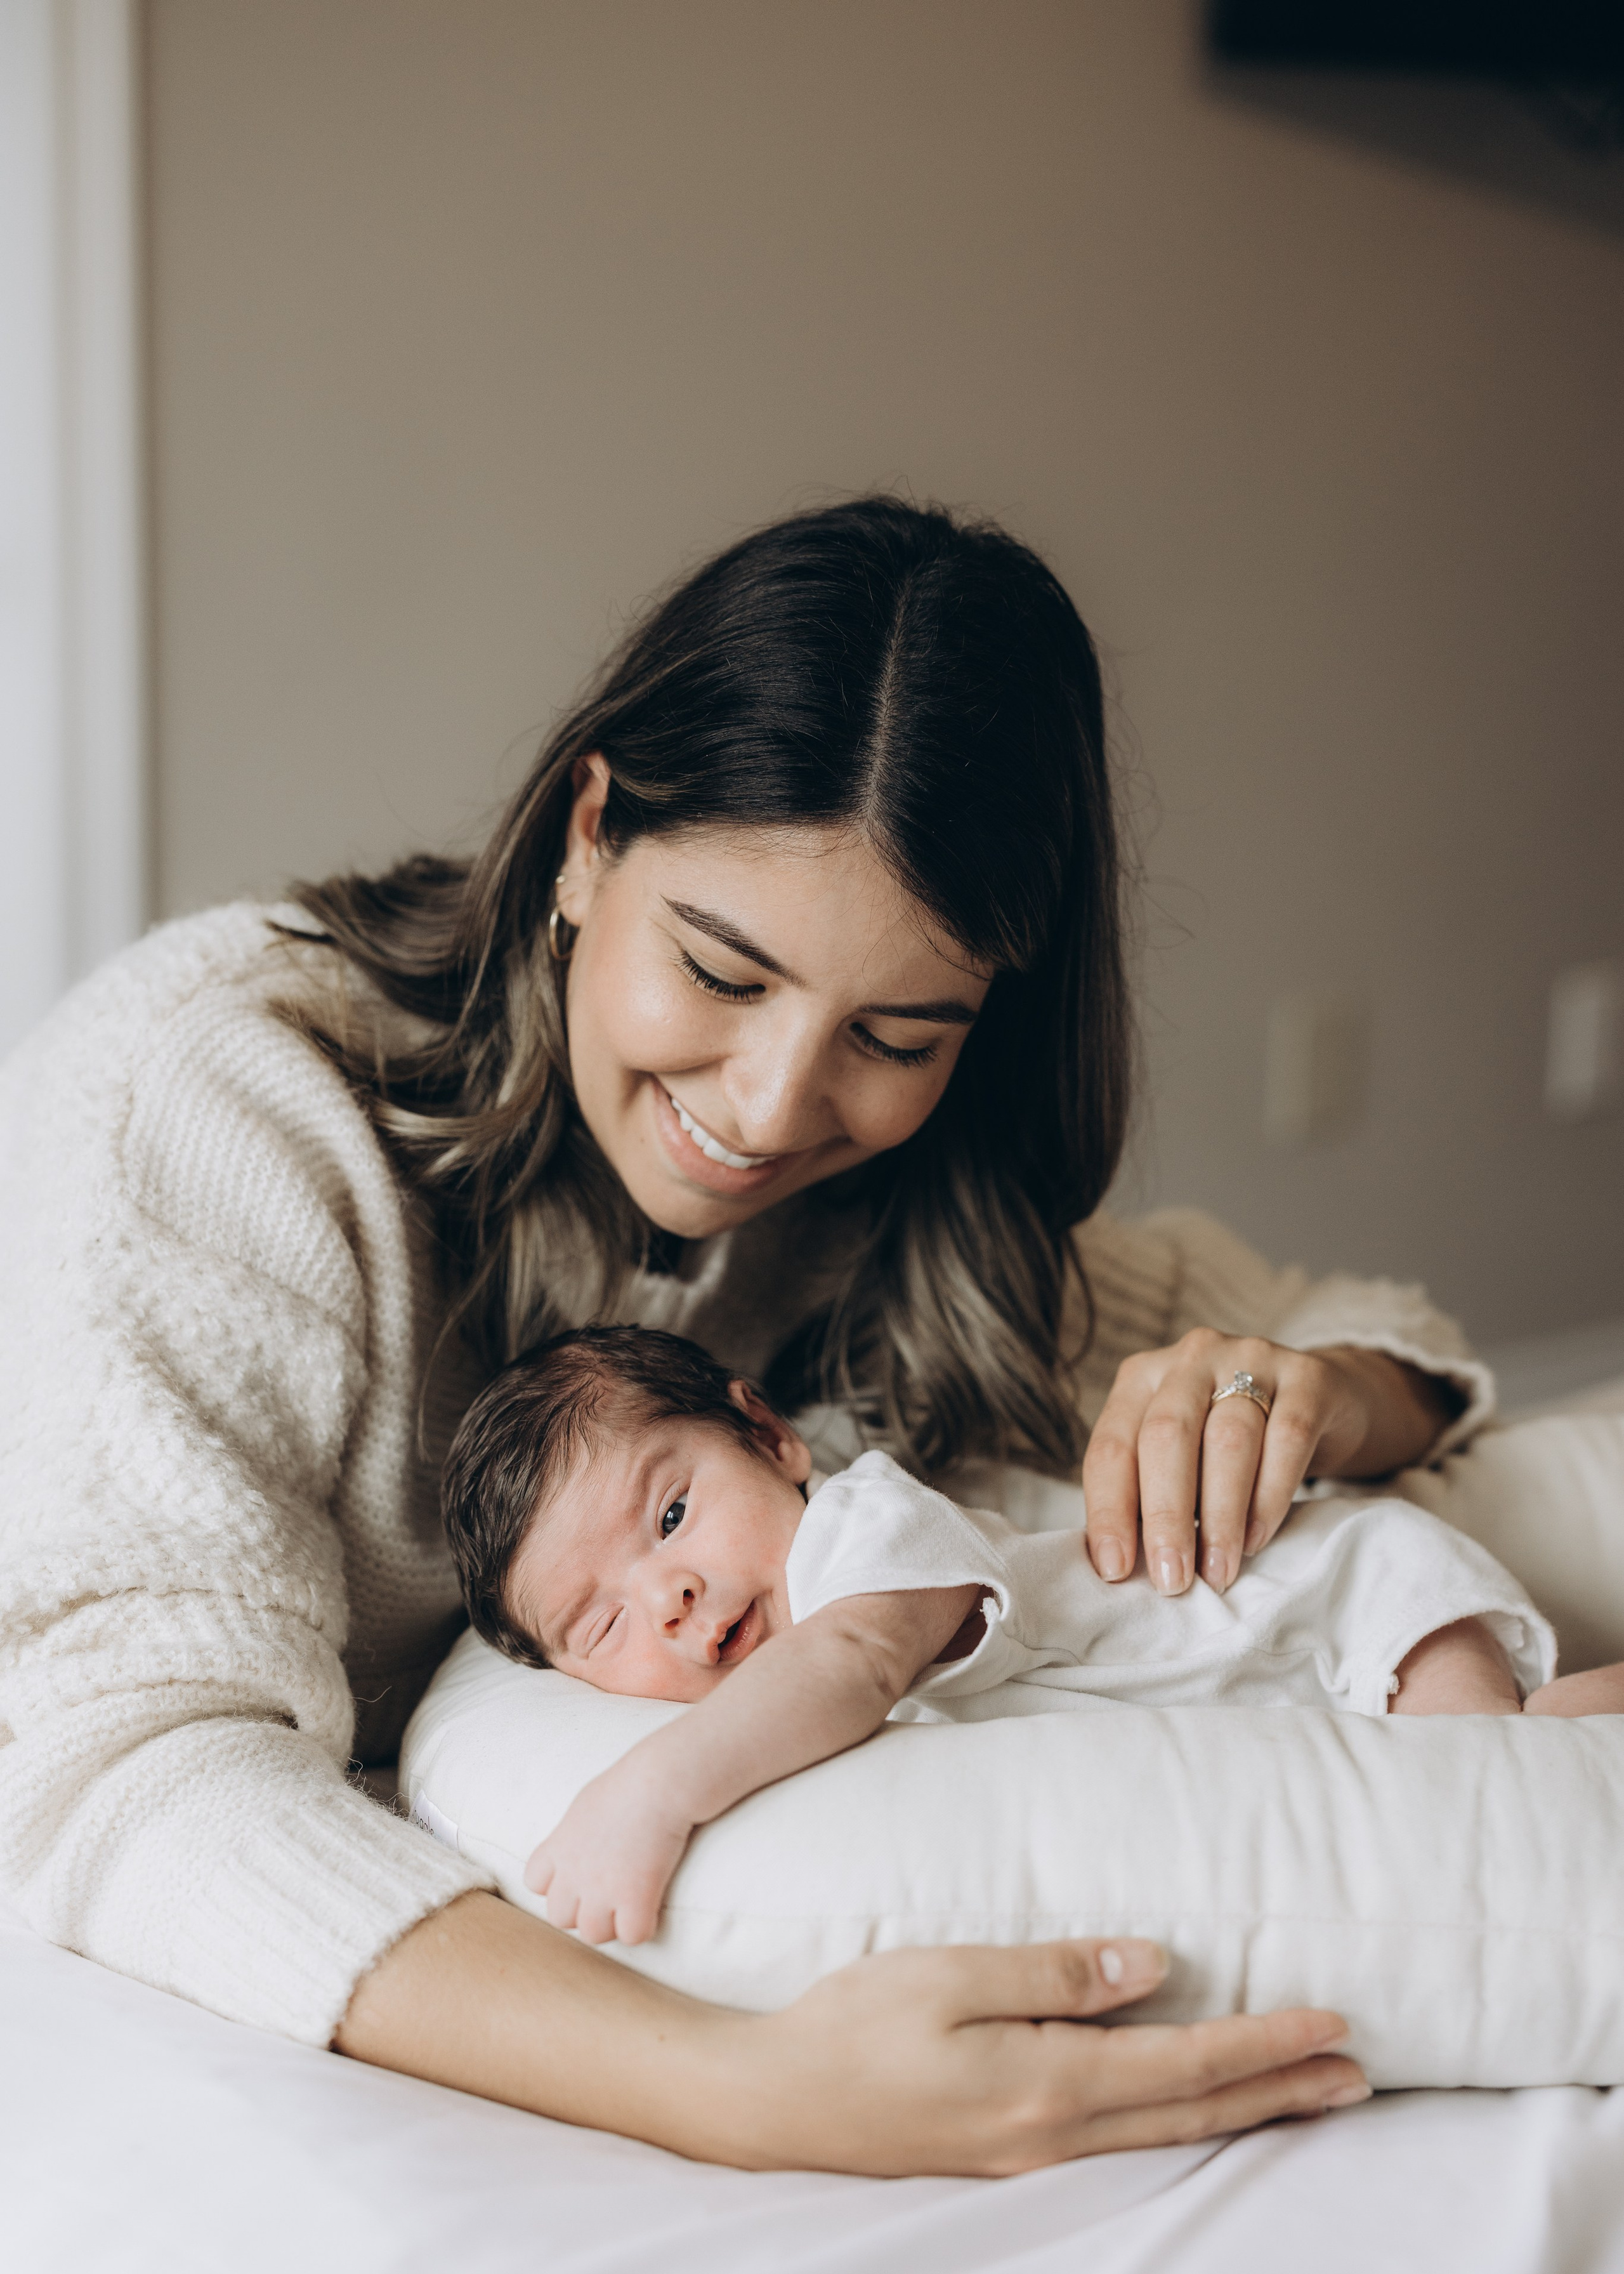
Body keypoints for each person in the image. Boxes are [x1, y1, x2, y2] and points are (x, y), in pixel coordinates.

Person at [0, 497, 1489, 2174]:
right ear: (588, 835)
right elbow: (120, 1761)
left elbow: (1378, 1334)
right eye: (720, 972)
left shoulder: (895, 1200)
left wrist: (1301, 1395)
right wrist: (730, 2086)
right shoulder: (217, 1105)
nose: (775, 1111)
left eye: (897, 1035)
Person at [443, 1324, 1624, 1950]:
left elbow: (848, 1666)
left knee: (1494, 1779)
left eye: (671, 1516)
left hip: (1336, 1601)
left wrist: (653, 1794)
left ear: (769, 1439)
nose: (671, 1596)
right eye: (606, 1622)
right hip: (1300, 1689)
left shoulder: (867, 1534)